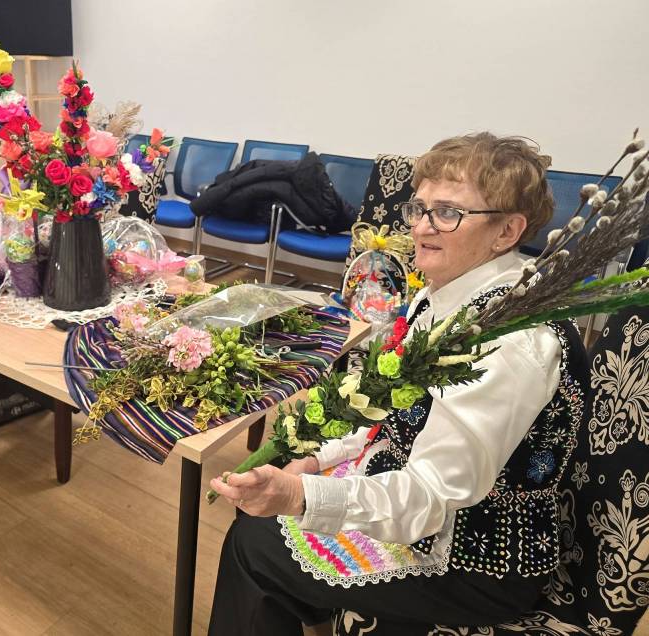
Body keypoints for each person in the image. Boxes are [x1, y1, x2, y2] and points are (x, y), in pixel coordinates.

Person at [208, 133, 590, 633]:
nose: (421, 227)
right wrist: (318, 459)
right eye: (419, 208)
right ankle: (305, 603)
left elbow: (432, 496)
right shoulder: (447, 293)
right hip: (420, 495)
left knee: (253, 548)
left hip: (476, 556)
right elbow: (387, 407)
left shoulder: (508, 340)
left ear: (506, 231)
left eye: (448, 213)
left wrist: (303, 496)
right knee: (264, 504)